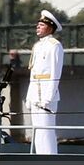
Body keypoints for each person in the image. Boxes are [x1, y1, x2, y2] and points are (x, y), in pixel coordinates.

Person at [26, 10, 64, 154]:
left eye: (41, 25)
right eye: (38, 25)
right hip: (35, 94)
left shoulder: (55, 46)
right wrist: (30, 97)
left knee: (47, 132)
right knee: (38, 133)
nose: (38, 27)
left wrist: (48, 97)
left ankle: (50, 159)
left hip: (46, 95)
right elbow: (33, 75)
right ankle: (40, 158)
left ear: (50, 27)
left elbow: (55, 73)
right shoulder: (37, 46)